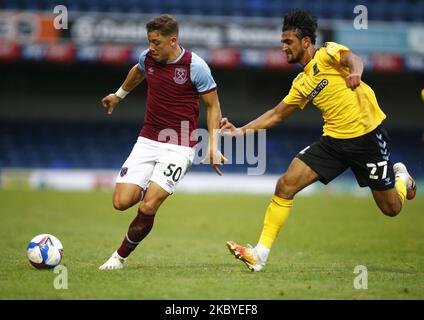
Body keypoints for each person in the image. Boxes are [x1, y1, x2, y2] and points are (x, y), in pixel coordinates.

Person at [221, 9, 417, 272]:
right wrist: (239, 131)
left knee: (391, 208)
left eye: (288, 42)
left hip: (367, 137)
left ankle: (402, 179)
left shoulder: (327, 53)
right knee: (285, 185)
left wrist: (355, 73)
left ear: (305, 42)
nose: (283, 47)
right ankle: (259, 255)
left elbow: (353, 59)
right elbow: (276, 114)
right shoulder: (302, 82)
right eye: (282, 42)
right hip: (333, 141)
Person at [99, 14, 226, 270]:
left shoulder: (195, 66)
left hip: (180, 146)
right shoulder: (147, 59)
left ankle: (119, 257)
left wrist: (214, 144)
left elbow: (213, 106)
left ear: (172, 41)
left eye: (156, 42)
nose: (151, 47)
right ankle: (152, 184)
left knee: (149, 205)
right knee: (121, 203)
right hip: (147, 140)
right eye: (149, 41)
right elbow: (137, 71)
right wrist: (118, 95)